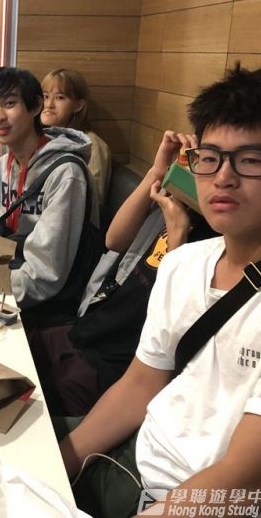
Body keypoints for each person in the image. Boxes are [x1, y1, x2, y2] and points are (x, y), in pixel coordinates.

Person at [58, 64, 261, 518]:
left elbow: (251, 480)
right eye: (209, 158)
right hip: (134, 459)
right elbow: (140, 385)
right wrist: (56, 468)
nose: (222, 177)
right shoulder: (184, 261)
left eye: (252, 160)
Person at [31, 130, 215, 417]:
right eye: (206, 156)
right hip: (87, 329)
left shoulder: (214, 240)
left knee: (27, 408)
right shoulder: (173, 205)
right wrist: (157, 172)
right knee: (15, 355)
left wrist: (178, 233)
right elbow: (114, 240)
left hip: (111, 365)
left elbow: (175, 321)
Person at [0, 66, 99, 319]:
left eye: (9, 104)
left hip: (45, 310)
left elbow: (45, 273)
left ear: (35, 106)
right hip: (4, 287)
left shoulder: (66, 173)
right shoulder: (3, 167)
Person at [41, 68, 111, 208]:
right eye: (45, 96)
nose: (49, 104)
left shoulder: (92, 145)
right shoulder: (40, 138)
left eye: (60, 97)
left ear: (78, 105)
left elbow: (91, 201)